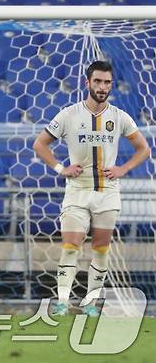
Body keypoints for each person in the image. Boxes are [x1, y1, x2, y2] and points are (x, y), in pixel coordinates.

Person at [33, 60, 151, 316]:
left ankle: (90, 303)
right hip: (77, 190)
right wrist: (59, 168)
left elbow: (144, 149)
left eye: (107, 82)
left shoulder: (120, 117)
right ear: (88, 82)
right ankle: (63, 301)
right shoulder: (69, 114)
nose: (102, 86)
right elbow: (40, 144)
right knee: (71, 246)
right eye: (97, 81)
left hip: (107, 193)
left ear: (111, 85)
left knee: (100, 248)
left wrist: (123, 169)